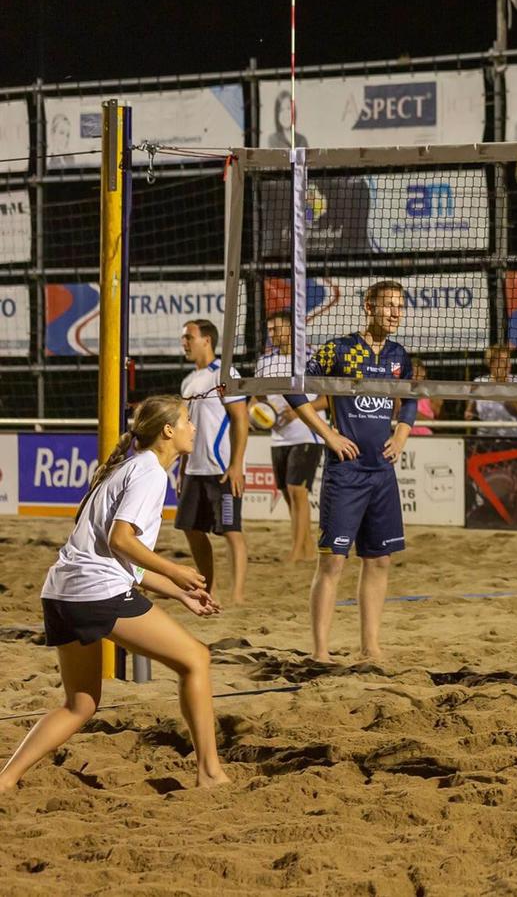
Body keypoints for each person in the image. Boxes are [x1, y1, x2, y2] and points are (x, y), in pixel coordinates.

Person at [0, 396, 229, 791]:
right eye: (188, 421)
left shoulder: (127, 468)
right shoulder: (150, 473)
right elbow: (121, 540)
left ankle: (5, 781)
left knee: (81, 704)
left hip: (60, 594)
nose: (194, 427)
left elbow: (119, 558)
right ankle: (209, 772)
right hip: (94, 593)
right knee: (196, 659)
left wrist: (178, 592)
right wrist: (175, 569)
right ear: (168, 431)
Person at [283, 280, 415, 663]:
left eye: (400, 306)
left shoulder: (397, 356)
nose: (395, 312)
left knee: (379, 560)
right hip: (346, 472)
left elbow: (409, 401)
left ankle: (370, 646)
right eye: (388, 305)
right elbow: (295, 390)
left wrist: (402, 436)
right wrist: (328, 434)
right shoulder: (340, 349)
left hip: (382, 473)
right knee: (333, 562)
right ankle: (321, 652)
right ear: (368, 306)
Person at [176, 318, 250, 604]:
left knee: (231, 531)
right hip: (195, 468)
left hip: (221, 469)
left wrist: (236, 465)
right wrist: (182, 469)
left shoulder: (225, 373)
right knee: (190, 528)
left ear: (206, 340)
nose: (184, 342)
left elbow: (240, 419)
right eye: (183, 337)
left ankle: (238, 596)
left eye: (188, 337)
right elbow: (185, 428)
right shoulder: (189, 380)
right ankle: (207, 588)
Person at [254, 310, 326, 563]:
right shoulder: (265, 362)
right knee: (287, 492)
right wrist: (260, 413)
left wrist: (299, 413)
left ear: (291, 330)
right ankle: (306, 547)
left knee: (298, 490)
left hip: (308, 433)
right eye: (270, 330)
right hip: (278, 436)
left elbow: (327, 399)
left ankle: (297, 551)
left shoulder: (312, 356)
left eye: (277, 329)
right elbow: (258, 397)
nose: (272, 334)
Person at [466, 345, 517, 438]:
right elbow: (469, 411)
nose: (507, 365)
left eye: (508, 360)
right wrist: (470, 413)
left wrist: (506, 390)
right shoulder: (479, 383)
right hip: (486, 439)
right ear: (491, 364)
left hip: (514, 438)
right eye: (502, 361)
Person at [410, 360, 438, 436]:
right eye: (410, 372)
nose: (413, 376)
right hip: (405, 437)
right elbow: (397, 415)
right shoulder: (400, 393)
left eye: (416, 372)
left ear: (423, 373)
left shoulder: (432, 393)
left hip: (426, 437)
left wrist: (413, 413)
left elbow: (438, 425)